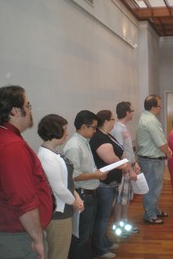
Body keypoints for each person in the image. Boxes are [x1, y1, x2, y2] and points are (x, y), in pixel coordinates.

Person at [0, 85, 53, 259]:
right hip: (18, 236)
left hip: (10, 231)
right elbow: (23, 200)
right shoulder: (11, 146)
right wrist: (37, 239)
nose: (30, 111)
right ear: (16, 111)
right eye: (28, 106)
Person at [37, 114, 84, 259]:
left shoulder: (52, 153)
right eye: (64, 129)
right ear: (54, 131)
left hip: (65, 208)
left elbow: (66, 181)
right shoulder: (46, 156)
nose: (67, 133)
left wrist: (75, 196)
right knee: (59, 254)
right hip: (58, 214)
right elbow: (58, 188)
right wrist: (75, 201)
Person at [63, 110, 105, 259]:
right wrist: (95, 175)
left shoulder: (84, 142)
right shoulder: (74, 146)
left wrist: (97, 172)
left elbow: (87, 168)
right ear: (83, 126)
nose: (95, 130)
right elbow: (73, 176)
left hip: (90, 193)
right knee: (81, 236)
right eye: (93, 127)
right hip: (82, 195)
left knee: (87, 234)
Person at [89, 110, 128, 258]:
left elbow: (120, 153)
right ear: (106, 121)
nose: (114, 122)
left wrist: (128, 164)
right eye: (112, 119)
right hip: (104, 184)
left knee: (105, 215)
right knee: (103, 216)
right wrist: (126, 166)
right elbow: (112, 159)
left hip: (111, 183)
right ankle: (100, 248)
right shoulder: (99, 137)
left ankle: (104, 241)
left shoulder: (107, 135)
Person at [136, 94, 172, 224]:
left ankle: (154, 209)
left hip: (149, 159)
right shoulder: (150, 120)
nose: (160, 108)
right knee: (152, 188)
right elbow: (160, 142)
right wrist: (168, 152)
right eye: (159, 106)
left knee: (155, 187)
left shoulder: (145, 117)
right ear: (153, 107)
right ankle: (150, 214)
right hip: (152, 160)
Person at [111, 102, 140, 233]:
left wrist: (135, 163)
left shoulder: (123, 127)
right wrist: (128, 168)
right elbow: (119, 152)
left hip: (129, 167)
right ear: (127, 113)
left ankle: (125, 222)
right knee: (120, 198)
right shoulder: (118, 129)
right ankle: (118, 225)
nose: (133, 113)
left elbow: (128, 150)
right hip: (124, 170)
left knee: (126, 198)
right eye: (131, 110)